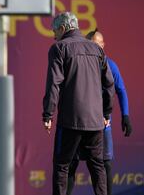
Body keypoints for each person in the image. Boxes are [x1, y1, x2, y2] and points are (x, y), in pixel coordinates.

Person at [42, 12, 115, 195]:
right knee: (97, 167)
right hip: (95, 122)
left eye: (55, 31)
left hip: (70, 121)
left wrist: (48, 114)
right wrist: (106, 113)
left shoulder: (58, 48)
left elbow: (54, 84)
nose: (53, 35)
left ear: (63, 28)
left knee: (62, 166)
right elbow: (109, 84)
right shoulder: (97, 49)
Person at [66, 29, 133, 195]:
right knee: (70, 163)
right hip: (80, 122)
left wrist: (125, 116)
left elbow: (121, 90)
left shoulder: (110, 65)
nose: (96, 47)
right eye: (92, 44)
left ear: (103, 45)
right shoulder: (80, 65)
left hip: (102, 124)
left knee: (105, 164)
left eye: (99, 44)